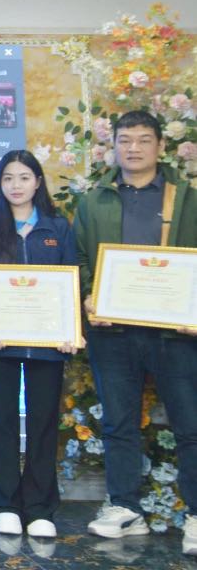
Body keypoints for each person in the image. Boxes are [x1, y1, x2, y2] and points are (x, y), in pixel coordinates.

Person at [77, 110, 197, 555]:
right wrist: (90, 297)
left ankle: (196, 516)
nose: (133, 148)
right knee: (119, 423)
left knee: (190, 425)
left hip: (174, 334)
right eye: (124, 140)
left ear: (160, 147)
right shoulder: (95, 202)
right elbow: (82, 258)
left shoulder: (186, 198)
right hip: (114, 333)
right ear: (114, 147)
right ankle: (126, 508)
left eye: (143, 140)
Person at [0, 150, 77, 539]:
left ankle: (41, 507)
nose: (15, 185)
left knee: (44, 423)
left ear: (38, 182)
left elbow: (70, 281)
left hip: (49, 344)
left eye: (24, 178)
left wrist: (69, 328)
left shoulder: (57, 228)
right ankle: (7, 505)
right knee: (3, 422)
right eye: (8, 178)